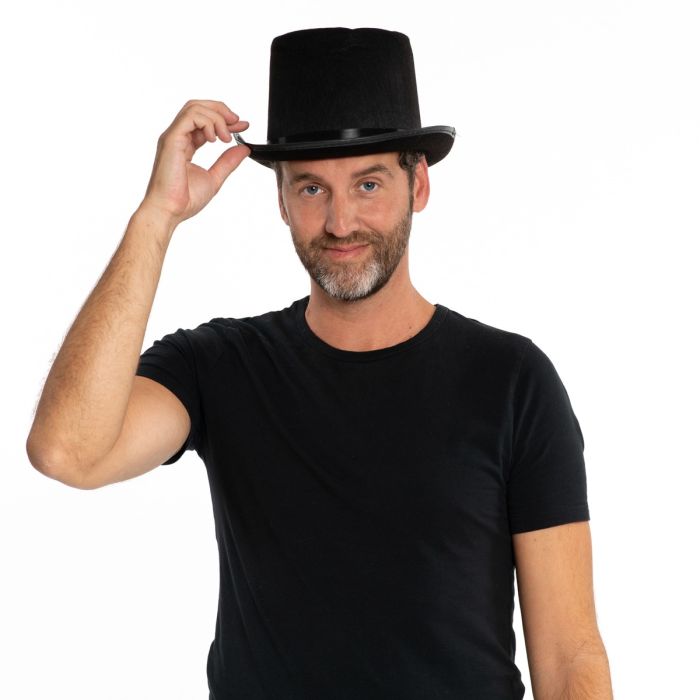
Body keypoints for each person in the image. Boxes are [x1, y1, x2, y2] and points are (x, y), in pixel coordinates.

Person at [26, 27, 613, 700]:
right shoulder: (220, 367)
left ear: (418, 184)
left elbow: (569, 658)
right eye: (311, 189)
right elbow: (67, 450)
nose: (339, 222)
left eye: (368, 184)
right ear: (280, 200)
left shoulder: (512, 381)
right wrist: (157, 217)